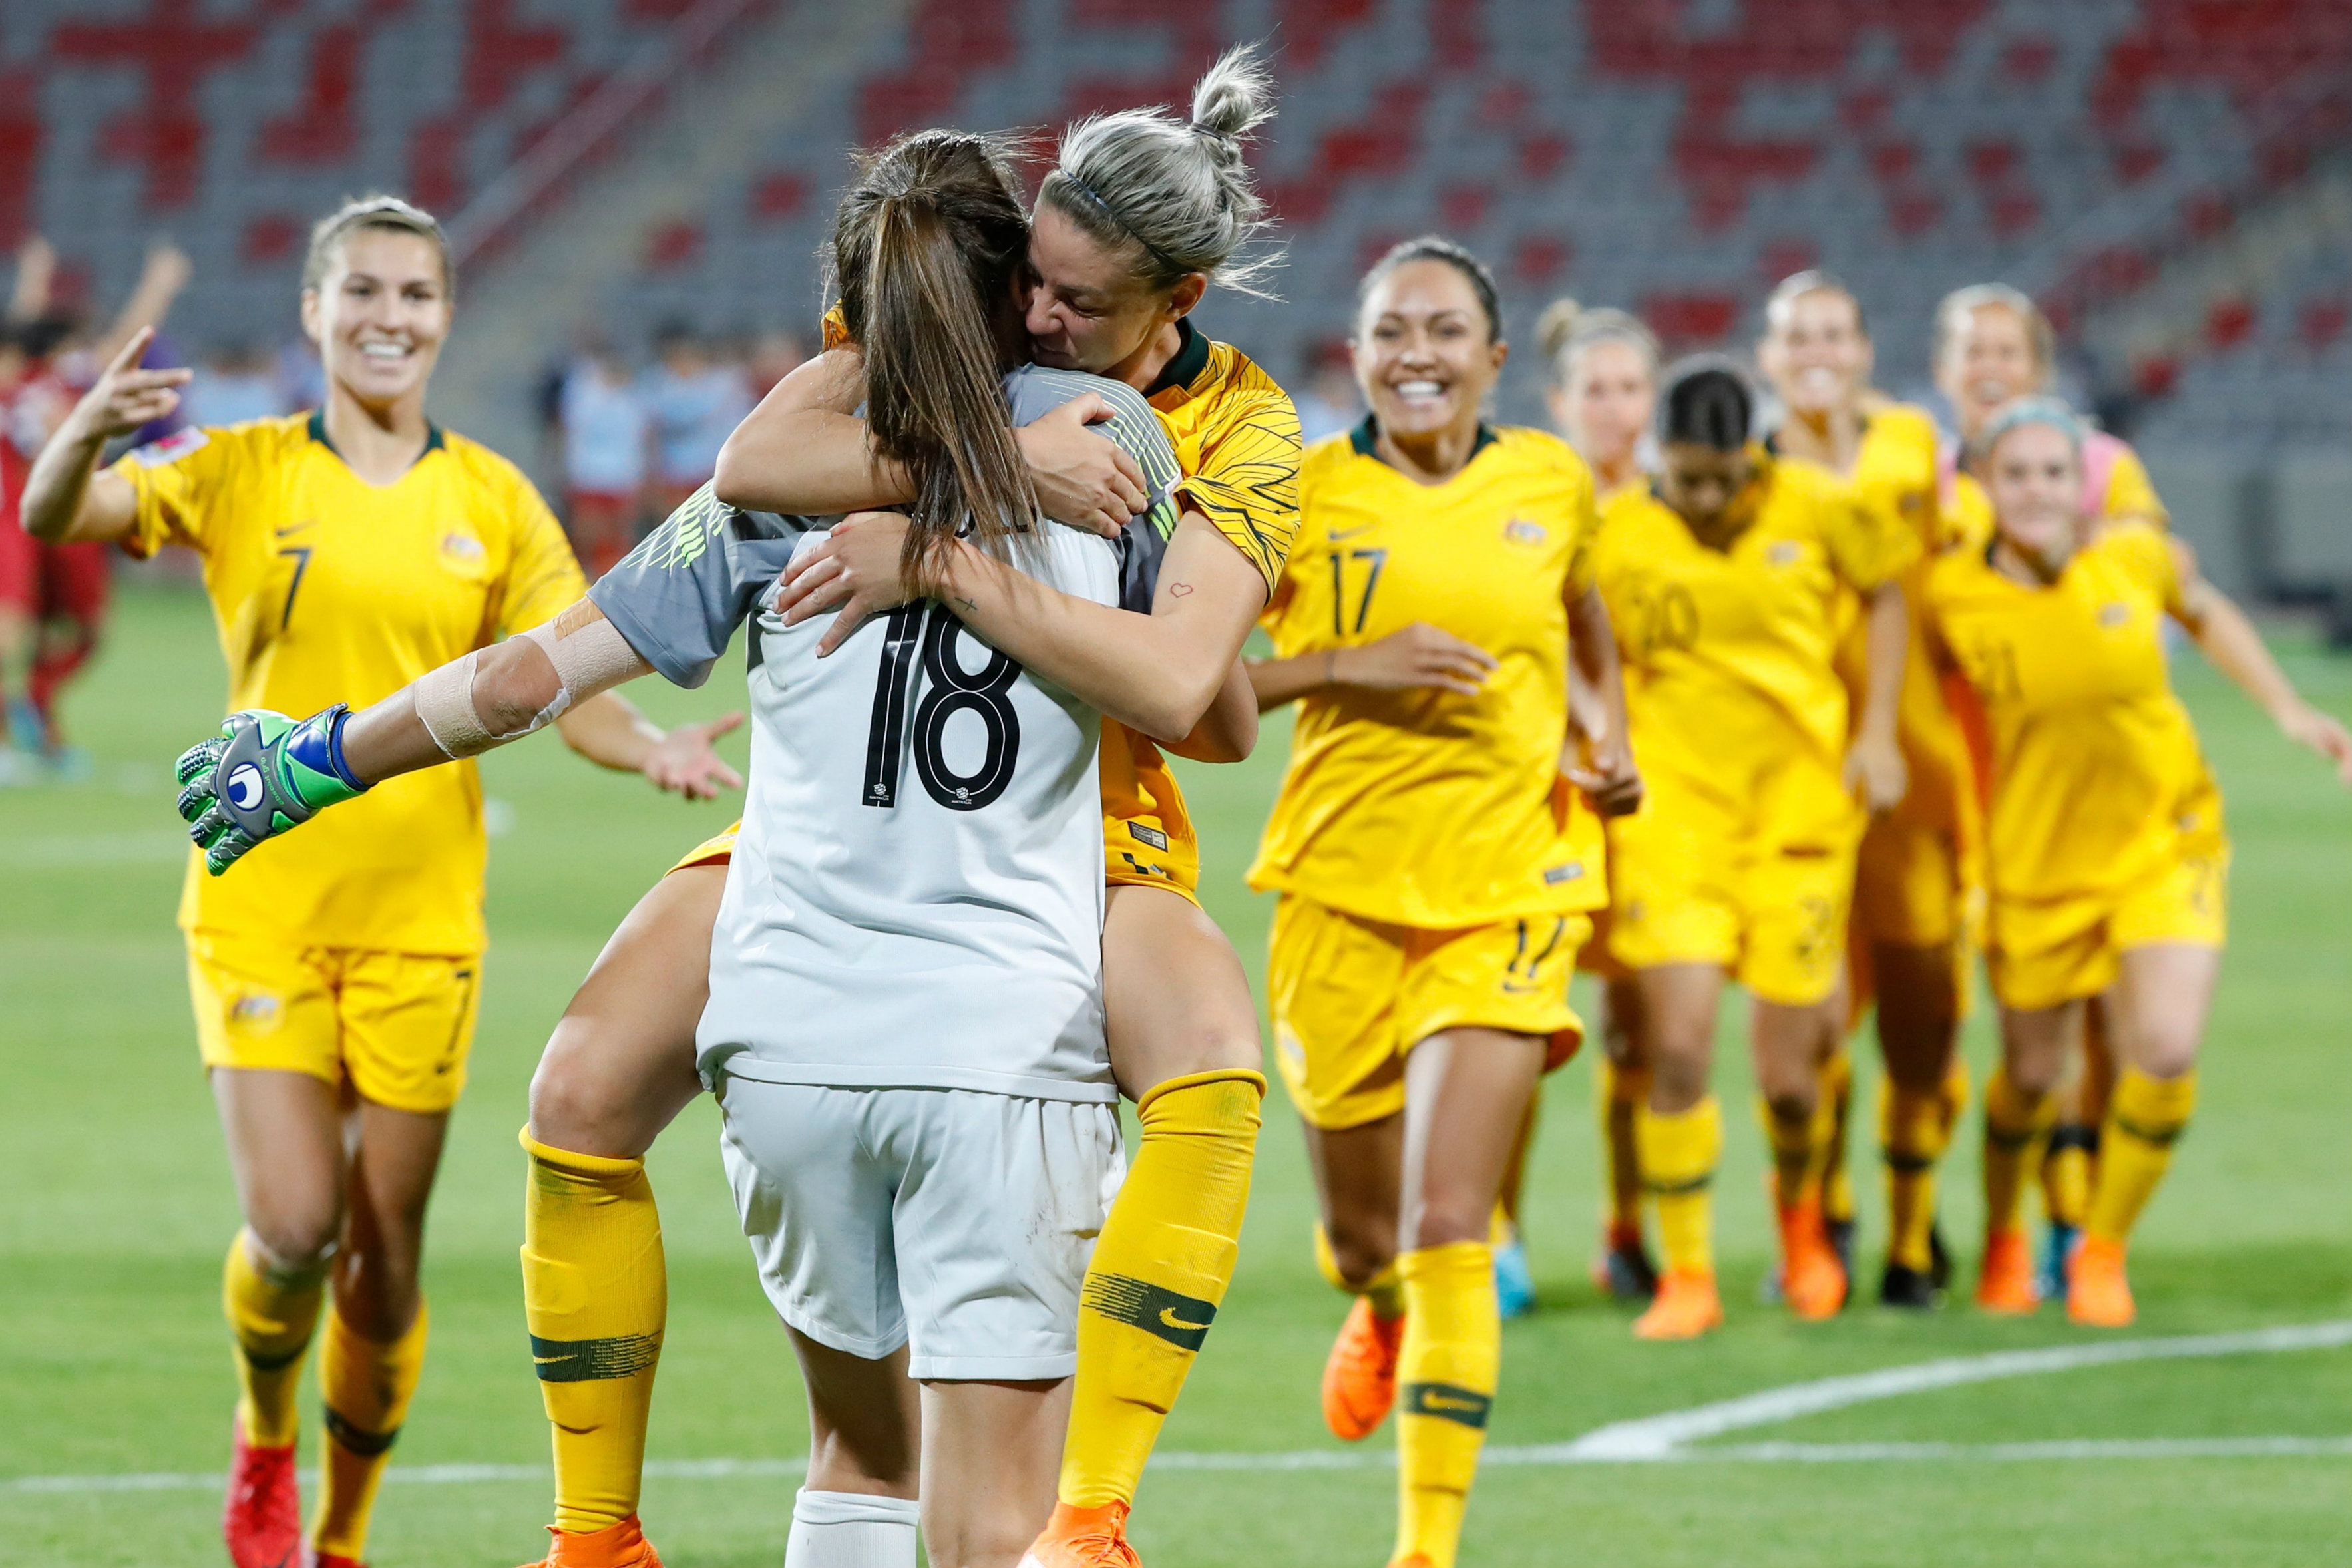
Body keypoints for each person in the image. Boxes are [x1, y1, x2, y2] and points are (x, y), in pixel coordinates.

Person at [170, 129, 1221, 1568]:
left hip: (784, 1045)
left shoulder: (770, 478)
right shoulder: (1111, 444)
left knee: (858, 1453)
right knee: (995, 1531)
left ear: (850, 309)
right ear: (1013, 285)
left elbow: (529, 675)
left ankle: (595, 1526)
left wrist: (316, 755)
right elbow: (1196, 689)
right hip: (999, 1047)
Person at [21, 195, 741, 1568]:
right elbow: (69, 510)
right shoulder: (237, 467)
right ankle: (265, 1435)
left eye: (413, 295)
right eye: (361, 292)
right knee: (293, 1226)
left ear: (444, 317)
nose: (388, 317)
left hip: (422, 923)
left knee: (384, 1256)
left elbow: (557, 674)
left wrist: (646, 745)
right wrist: (76, 435)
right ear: (314, 310)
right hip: (260, 905)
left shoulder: (491, 498)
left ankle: (337, 1539)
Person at [753, 48, 1300, 1568]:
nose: (1036, 319)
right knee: (582, 1088)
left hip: (1086, 837)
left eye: (1078, 306)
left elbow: (1188, 690)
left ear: (1175, 305)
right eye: (1036, 282)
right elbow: (762, 453)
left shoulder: (1246, 430)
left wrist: (938, 547)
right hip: (866, 815)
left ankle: (1094, 1514)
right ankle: (588, 1523)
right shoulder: (970, 312)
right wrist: (1004, 468)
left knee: (1210, 1060)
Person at [1245, 238, 1638, 1568]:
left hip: (1510, 887)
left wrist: (1605, 734)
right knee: (1367, 1238)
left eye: (1445, 330)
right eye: (1390, 330)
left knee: (1448, 1223)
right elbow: (1201, 686)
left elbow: (1585, 624)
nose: (1417, 352)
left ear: (1494, 355)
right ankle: (1373, 1304)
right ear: (1355, 353)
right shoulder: (1296, 495)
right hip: (1338, 892)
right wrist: (1349, 661)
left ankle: (1426, 1546)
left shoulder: (1552, 480)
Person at [1925, 397, 2352, 1326]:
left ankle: (2100, 1250)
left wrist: (2287, 710)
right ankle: (2004, 1235)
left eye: (2052, 473)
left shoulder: (2134, 554)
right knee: (2032, 1077)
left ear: (2080, 485)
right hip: (2032, 865)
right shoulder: (1946, 594)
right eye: (2016, 474)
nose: (2036, 491)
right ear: (1981, 488)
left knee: (2160, 1049)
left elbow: (2204, 611)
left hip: (2166, 839)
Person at [1589, 359, 1911, 1339]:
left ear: (1753, 460)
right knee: (1677, 1047)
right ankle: (1688, 1275)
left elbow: (1889, 590)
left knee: (1792, 1075)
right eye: (1687, 479)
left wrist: (1879, 730)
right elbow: (1573, 637)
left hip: (1799, 820)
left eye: (1725, 479)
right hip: (1673, 818)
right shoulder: (1617, 534)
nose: (1708, 498)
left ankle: (1802, 1226)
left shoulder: (1815, 505)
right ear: (1658, 462)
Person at [1932, 282, 2168, 1294]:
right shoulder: (1922, 485)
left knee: (2106, 1026)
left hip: (2079, 787)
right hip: (1963, 783)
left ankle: (2072, 1220)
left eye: (2007, 350)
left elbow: (2144, 599)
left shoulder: (2105, 471)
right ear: (1942, 372)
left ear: (2035, 365)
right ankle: (1925, 1220)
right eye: (1969, 350)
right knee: (1994, 1035)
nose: (1988, 366)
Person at [1756, 270, 1973, 1307]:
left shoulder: (1914, 449)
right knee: (1816, 1018)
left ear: (1863, 348)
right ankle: (1820, 1217)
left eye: (1834, 332)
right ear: (1767, 353)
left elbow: (1940, 590)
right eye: (1796, 333)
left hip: (1914, 770)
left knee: (1925, 1009)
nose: (1815, 350)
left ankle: (1916, 1236)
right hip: (1797, 776)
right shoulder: (1746, 465)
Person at [1535, 297, 1661, 1304]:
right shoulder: (1533, 503)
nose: (1613, 409)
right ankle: (1494, 1239)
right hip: (1546, 790)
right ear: (1558, 400)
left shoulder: (1684, 504)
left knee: (1637, 1027)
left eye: (1628, 388)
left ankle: (1625, 1225)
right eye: (1595, 390)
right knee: (1518, 1021)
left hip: (1659, 801)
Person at [641, 319, 753, 517]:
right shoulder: (657, 385)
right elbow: (650, 432)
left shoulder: (721, 384)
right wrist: (653, 474)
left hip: (710, 474)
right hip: (673, 474)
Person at [558, 340, 650, 578]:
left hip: (622, 477)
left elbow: (644, 438)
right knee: (587, 535)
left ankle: (615, 585)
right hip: (588, 475)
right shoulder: (583, 395)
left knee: (618, 537)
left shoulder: (633, 399)